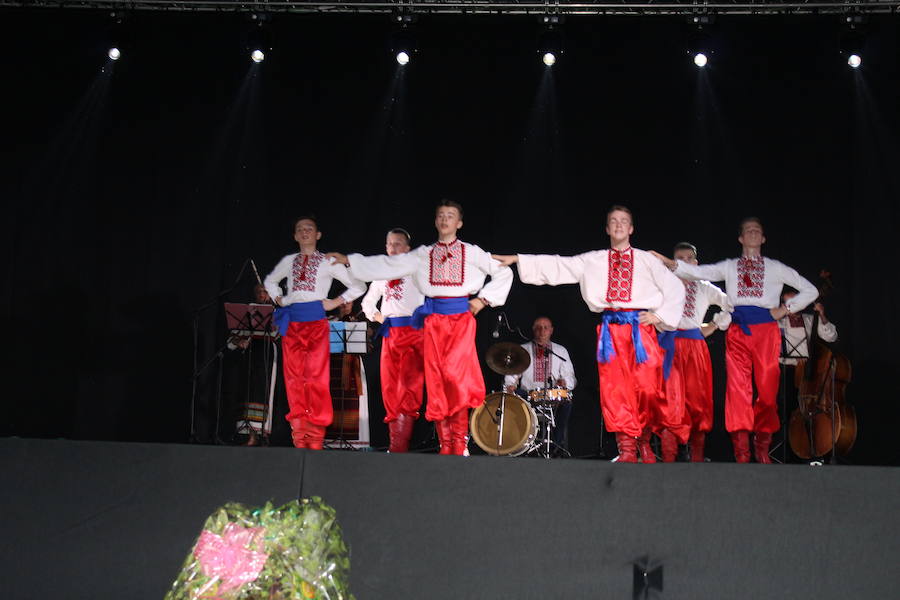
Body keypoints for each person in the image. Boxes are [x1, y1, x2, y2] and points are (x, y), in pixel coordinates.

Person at [493, 205, 685, 463]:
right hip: (610, 334)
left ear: (631, 228)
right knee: (616, 392)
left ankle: (644, 441)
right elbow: (561, 265)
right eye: (613, 221)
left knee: (648, 390)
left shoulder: (646, 260)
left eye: (623, 221)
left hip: (640, 332)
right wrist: (519, 259)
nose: (618, 225)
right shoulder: (594, 260)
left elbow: (675, 287)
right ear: (607, 228)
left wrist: (658, 316)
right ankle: (627, 449)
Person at [327, 200, 513, 455]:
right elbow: (387, 265)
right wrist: (350, 260)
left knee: (456, 381)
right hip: (433, 322)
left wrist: (482, 300)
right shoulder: (423, 254)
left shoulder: (471, 252)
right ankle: (445, 445)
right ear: (436, 221)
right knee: (437, 384)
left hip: (459, 321)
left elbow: (504, 272)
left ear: (459, 223)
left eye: (450, 216)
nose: (445, 219)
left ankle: (458, 444)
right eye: (441, 215)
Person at [652, 217, 817, 463]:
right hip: (738, 332)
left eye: (757, 230)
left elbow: (811, 290)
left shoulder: (775, 268)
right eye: (748, 230)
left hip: (766, 331)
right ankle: (741, 452)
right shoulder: (730, 267)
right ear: (741, 238)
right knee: (737, 393)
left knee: (767, 391)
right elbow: (699, 272)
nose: (753, 233)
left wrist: (785, 309)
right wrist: (667, 262)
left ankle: (762, 447)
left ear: (763, 238)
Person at [263, 216, 367, 450]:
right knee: (294, 380)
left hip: (316, 324)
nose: (304, 232)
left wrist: (336, 302)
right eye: (300, 229)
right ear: (295, 236)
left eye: (309, 228)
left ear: (318, 235)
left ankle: (316, 438)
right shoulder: (289, 261)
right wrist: (279, 298)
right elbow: (270, 281)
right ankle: (300, 438)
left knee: (316, 379)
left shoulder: (327, 262)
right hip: (293, 324)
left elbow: (359, 285)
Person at [657, 243, 731, 462]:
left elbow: (731, 304)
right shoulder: (663, 285)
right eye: (680, 258)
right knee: (670, 399)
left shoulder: (704, 286)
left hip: (695, 348)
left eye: (689, 258)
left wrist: (715, 325)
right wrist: (661, 325)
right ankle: (668, 457)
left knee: (698, 400)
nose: (685, 262)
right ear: (673, 263)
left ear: (696, 263)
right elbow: (650, 310)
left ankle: (697, 456)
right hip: (669, 346)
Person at [360, 228, 426, 453]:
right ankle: (395, 445)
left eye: (398, 244)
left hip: (414, 334)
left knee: (409, 388)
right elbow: (367, 303)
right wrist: (379, 317)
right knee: (390, 388)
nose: (393, 248)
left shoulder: (417, 269)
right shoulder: (382, 273)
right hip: (391, 334)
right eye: (389, 244)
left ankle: (399, 446)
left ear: (407, 248)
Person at [503, 316, 577, 454]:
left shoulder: (560, 351)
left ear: (551, 330)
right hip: (528, 395)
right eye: (538, 328)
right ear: (533, 330)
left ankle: (556, 445)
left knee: (567, 403)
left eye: (545, 328)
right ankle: (519, 445)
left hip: (552, 395)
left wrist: (564, 382)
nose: (542, 331)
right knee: (511, 398)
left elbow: (571, 378)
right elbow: (511, 375)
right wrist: (511, 385)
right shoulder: (523, 350)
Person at [230, 284, 281, 447]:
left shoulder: (276, 312)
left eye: (264, 292)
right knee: (248, 391)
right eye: (258, 292)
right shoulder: (248, 312)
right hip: (251, 353)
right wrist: (239, 341)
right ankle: (249, 433)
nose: (261, 295)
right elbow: (234, 336)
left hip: (267, 352)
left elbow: (279, 333)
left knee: (263, 391)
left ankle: (262, 433)